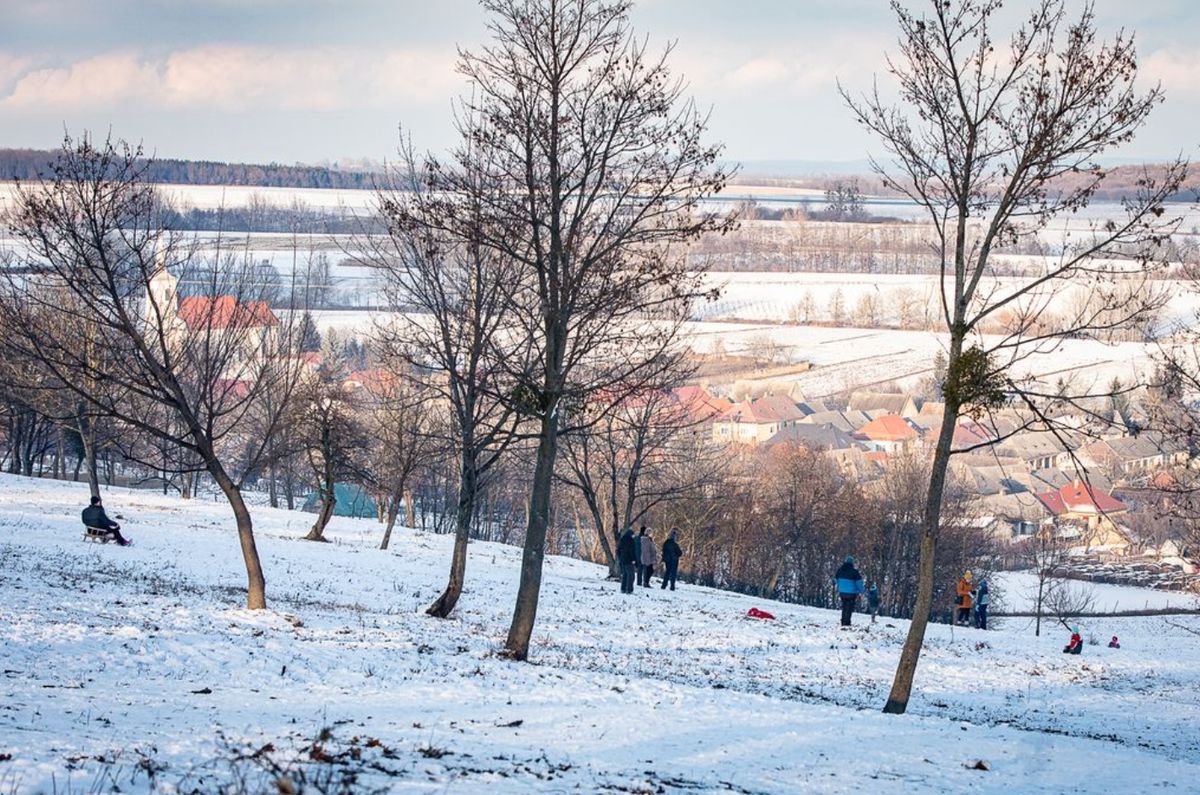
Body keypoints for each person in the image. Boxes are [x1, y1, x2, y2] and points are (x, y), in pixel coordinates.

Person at [834, 556, 864, 627]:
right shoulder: (854, 572)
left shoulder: (840, 570)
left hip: (842, 592)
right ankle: (847, 623)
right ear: (852, 563)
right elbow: (859, 583)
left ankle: (843, 621)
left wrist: (839, 586)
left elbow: (835, 580)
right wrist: (861, 591)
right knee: (849, 608)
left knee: (844, 607)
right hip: (851, 593)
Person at [616, 527, 637, 594]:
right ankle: (629, 589)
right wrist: (633, 559)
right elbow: (632, 551)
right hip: (629, 560)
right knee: (631, 575)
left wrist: (620, 558)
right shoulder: (631, 540)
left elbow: (618, 550)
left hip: (622, 560)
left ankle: (623, 588)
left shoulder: (622, 540)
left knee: (625, 575)